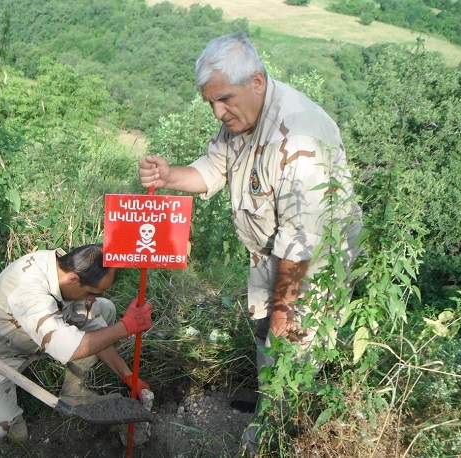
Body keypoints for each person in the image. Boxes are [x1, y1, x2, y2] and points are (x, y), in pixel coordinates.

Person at [137, 34, 362, 453]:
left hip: (315, 260)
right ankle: (270, 410)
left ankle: (287, 433)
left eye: (224, 99)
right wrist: (168, 176)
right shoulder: (242, 116)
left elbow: (301, 248)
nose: (218, 112)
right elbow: (210, 170)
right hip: (273, 248)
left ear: (257, 81)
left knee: (294, 340)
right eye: (210, 103)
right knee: (266, 331)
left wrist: (283, 314)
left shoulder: (299, 138)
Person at [0, 244, 153, 443]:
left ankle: (74, 393)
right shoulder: (29, 287)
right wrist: (125, 327)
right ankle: (1, 404)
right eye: (93, 293)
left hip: (36, 343)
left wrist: (127, 375)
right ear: (74, 280)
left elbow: (96, 331)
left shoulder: (66, 270)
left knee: (105, 310)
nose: (93, 299)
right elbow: (68, 348)